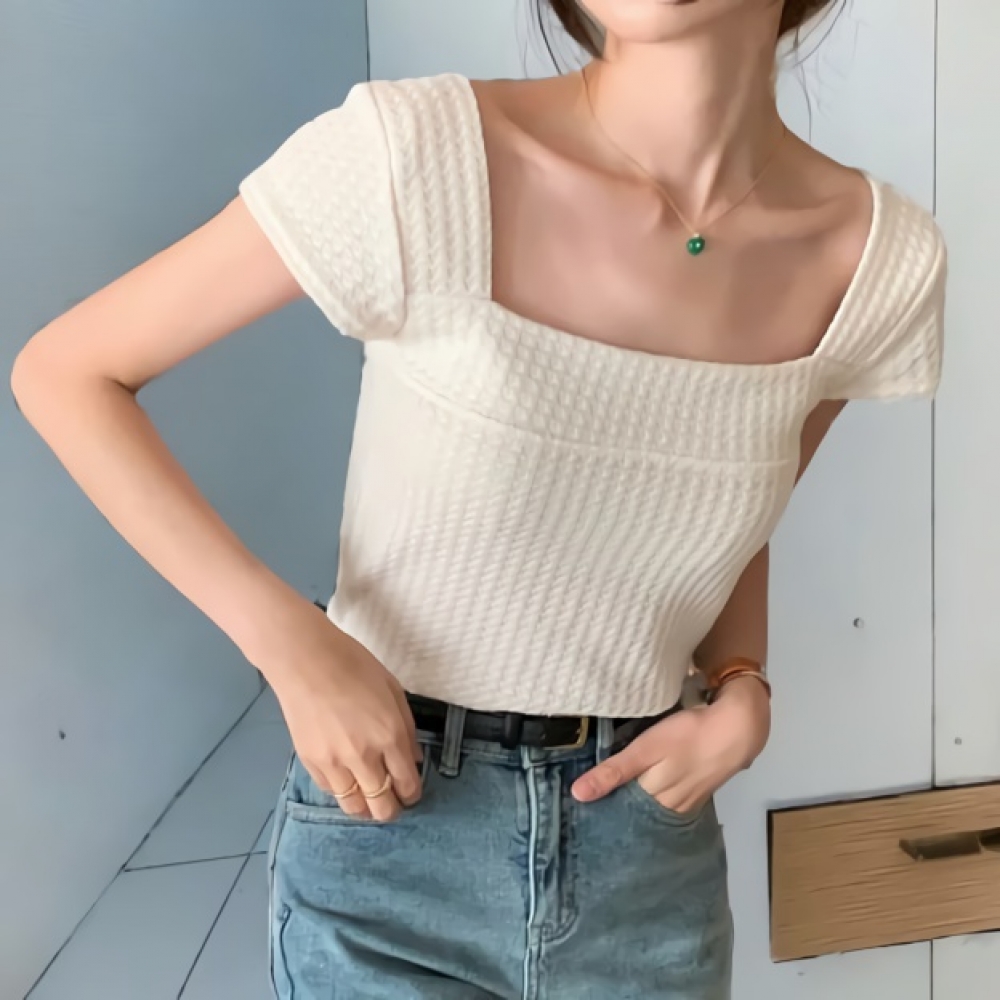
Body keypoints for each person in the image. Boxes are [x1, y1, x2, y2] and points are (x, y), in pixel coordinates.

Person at [10, 0, 946, 997]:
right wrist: (289, 641)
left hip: (646, 856)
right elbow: (66, 374)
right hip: (391, 828)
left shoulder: (876, 261)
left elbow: (729, 509)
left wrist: (743, 685)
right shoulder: (415, 157)